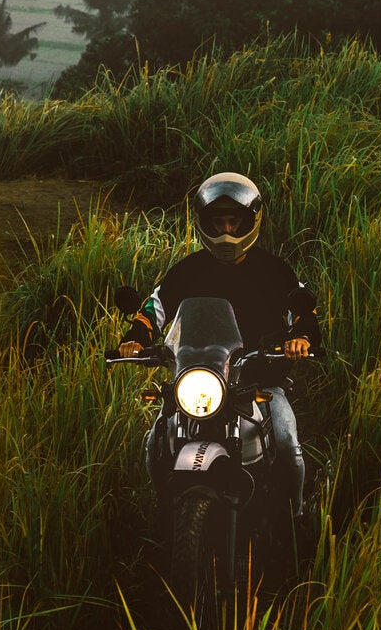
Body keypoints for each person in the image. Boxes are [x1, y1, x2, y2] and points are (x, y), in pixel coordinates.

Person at [117, 171, 318, 514]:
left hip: (261, 381)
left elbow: (302, 310)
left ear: (251, 222)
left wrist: (301, 338)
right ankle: (163, 507)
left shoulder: (275, 271)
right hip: (198, 380)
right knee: (154, 444)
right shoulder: (185, 271)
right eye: (219, 222)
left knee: (287, 444)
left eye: (234, 222)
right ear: (204, 224)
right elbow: (155, 309)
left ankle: (297, 516)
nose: (226, 231)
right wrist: (136, 339)